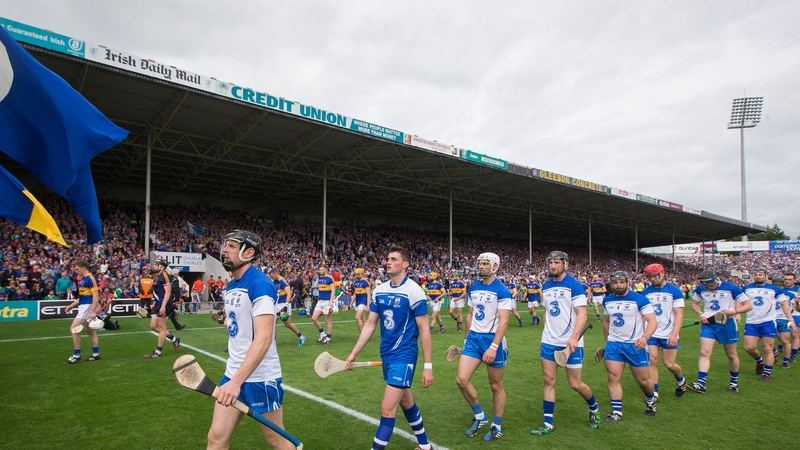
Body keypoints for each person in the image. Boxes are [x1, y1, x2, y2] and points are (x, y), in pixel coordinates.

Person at [207, 230, 293, 450]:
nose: (225, 250)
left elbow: (264, 338)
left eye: (232, 246)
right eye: (225, 245)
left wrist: (236, 382)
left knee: (276, 440)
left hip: (260, 378)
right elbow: (240, 326)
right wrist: (227, 321)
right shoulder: (232, 285)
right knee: (216, 438)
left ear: (249, 252)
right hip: (233, 371)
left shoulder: (260, 284)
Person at [345, 246, 434, 450]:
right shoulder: (380, 290)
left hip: (404, 355)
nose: (388, 262)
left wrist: (427, 366)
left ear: (405, 264)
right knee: (406, 403)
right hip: (387, 354)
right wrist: (353, 354)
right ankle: (425, 446)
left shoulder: (414, 291)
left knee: (387, 409)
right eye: (387, 259)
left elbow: (424, 330)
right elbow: (370, 325)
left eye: (394, 259)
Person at [530, 251, 601, 436]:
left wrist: (574, 338)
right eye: (551, 262)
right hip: (549, 341)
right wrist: (542, 337)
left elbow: (582, 314)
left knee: (575, 384)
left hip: (571, 343)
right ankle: (548, 424)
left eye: (557, 263)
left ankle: (594, 408)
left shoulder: (575, 286)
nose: (553, 266)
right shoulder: (545, 286)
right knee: (548, 381)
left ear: (565, 265)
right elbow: (547, 313)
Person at [456, 252, 511, 441]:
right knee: (461, 380)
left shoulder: (502, 290)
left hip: (492, 341)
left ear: (495, 266)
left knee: (495, 386)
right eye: (480, 263)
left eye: (485, 264)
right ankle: (480, 417)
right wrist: (466, 340)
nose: (481, 267)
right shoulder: (473, 288)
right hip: (473, 339)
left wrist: (494, 347)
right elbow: (470, 314)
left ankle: (497, 426)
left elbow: (504, 322)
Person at [600, 271, 658, 422]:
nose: (618, 285)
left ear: (627, 282)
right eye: (615, 282)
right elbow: (606, 321)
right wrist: (607, 341)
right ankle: (617, 412)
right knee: (613, 377)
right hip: (614, 345)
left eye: (621, 282)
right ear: (611, 284)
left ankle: (650, 400)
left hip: (635, 345)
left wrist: (645, 337)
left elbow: (652, 321)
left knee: (643, 380)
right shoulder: (607, 301)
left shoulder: (640, 299)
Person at [687, 270, 752, 393]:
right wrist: (701, 314)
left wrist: (734, 312)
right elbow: (695, 304)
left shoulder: (732, 288)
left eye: (711, 285)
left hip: (727, 323)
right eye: (707, 285)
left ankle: (733, 383)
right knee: (704, 352)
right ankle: (701, 383)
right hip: (709, 324)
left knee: (731, 354)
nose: (709, 287)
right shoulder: (701, 289)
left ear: (716, 279)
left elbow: (748, 305)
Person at [640, 264, 687, 401]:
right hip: (652, 333)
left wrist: (674, 334)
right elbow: (643, 315)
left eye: (655, 276)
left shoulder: (674, 291)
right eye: (650, 277)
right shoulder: (645, 293)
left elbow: (679, 315)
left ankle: (680, 379)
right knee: (652, 361)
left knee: (669, 364)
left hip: (668, 333)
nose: (653, 279)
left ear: (662, 274)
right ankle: (654, 393)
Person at [741, 268, 793, 381]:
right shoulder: (747, 288)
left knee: (768, 348)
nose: (758, 276)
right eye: (756, 274)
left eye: (760, 274)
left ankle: (767, 374)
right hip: (751, 321)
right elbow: (739, 301)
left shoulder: (774, 289)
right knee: (749, 347)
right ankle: (760, 361)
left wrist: (790, 319)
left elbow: (784, 304)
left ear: (766, 276)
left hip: (768, 322)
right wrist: (737, 313)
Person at [63, 260, 101, 364]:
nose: (76, 271)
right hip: (83, 306)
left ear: (83, 267)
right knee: (90, 330)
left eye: (77, 269)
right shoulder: (83, 279)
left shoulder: (90, 278)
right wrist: (71, 306)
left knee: (74, 329)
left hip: (87, 307)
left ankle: (76, 355)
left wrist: (93, 311)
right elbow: (81, 297)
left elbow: (96, 296)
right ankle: (96, 354)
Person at [144, 258, 181, 358]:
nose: (154, 266)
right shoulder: (158, 276)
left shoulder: (165, 276)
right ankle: (174, 339)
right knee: (153, 326)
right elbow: (159, 291)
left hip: (165, 304)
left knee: (161, 328)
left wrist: (163, 306)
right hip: (158, 303)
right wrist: (155, 302)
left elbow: (168, 292)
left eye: (156, 264)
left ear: (162, 266)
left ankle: (158, 352)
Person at [268, 269, 306, 347]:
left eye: (272, 276)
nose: (271, 278)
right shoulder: (275, 282)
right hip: (277, 305)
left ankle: (302, 337)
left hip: (284, 305)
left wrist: (286, 305)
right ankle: (273, 343)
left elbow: (289, 293)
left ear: (275, 274)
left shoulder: (283, 282)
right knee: (278, 324)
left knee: (285, 324)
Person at [311, 264, 335, 344]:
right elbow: (321, 289)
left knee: (327, 320)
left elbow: (333, 291)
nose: (320, 271)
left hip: (327, 302)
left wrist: (331, 302)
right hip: (320, 301)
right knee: (314, 318)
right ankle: (322, 333)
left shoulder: (330, 279)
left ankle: (328, 338)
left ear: (325, 269)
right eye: (319, 269)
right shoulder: (320, 278)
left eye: (321, 270)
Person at [784, 273, 800, 363]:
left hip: (796, 314)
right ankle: (780, 350)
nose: (787, 281)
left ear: (794, 280)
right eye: (786, 279)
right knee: (783, 335)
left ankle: (792, 355)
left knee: (794, 335)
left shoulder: (798, 290)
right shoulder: (780, 289)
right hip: (782, 315)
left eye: (789, 279)